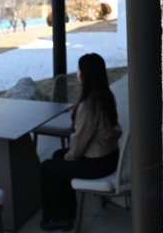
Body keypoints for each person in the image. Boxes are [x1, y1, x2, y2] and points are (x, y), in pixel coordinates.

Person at [39, 53, 122, 232]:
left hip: (96, 164)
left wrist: (69, 158)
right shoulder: (106, 96)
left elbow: (79, 143)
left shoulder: (89, 105)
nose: (77, 73)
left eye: (79, 69)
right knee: (57, 155)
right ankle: (66, 212)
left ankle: (59, 218)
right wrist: (67, 157)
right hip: (110, 157)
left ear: (85, 75)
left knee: (47, 167)